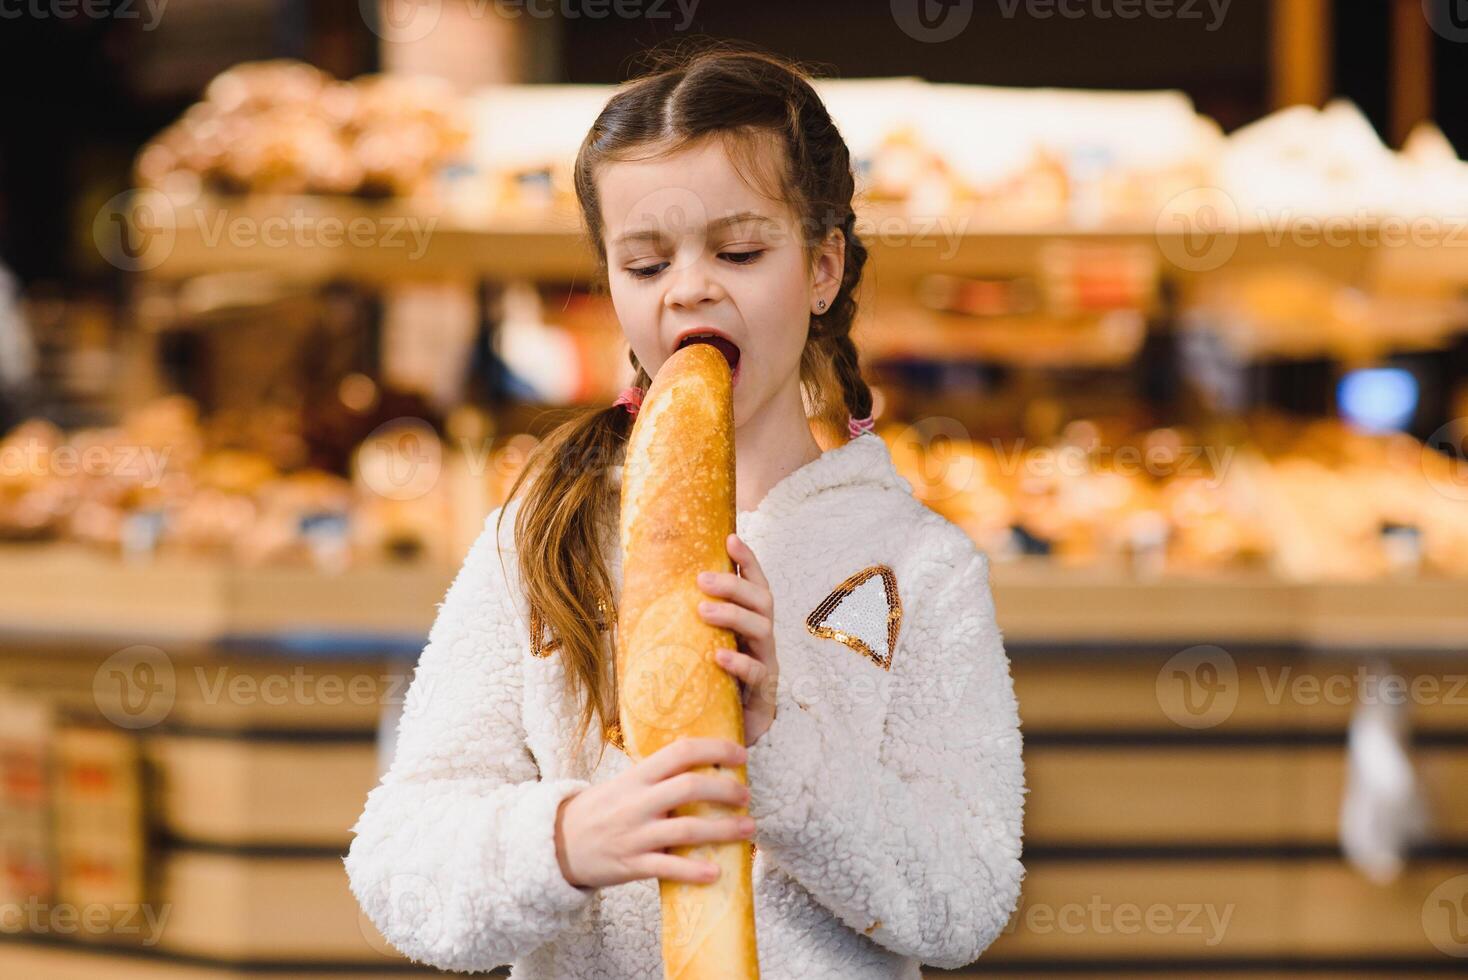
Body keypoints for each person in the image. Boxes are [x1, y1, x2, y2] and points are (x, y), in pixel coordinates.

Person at [344, 43, 1026, 979]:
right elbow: (397, 862)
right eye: (645, 262)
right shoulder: (547, 531)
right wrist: (571, 836)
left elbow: (966, 898)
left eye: (740, 251)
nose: (691, 287)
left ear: (822, 268)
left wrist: (780, 751)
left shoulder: (919, 566)